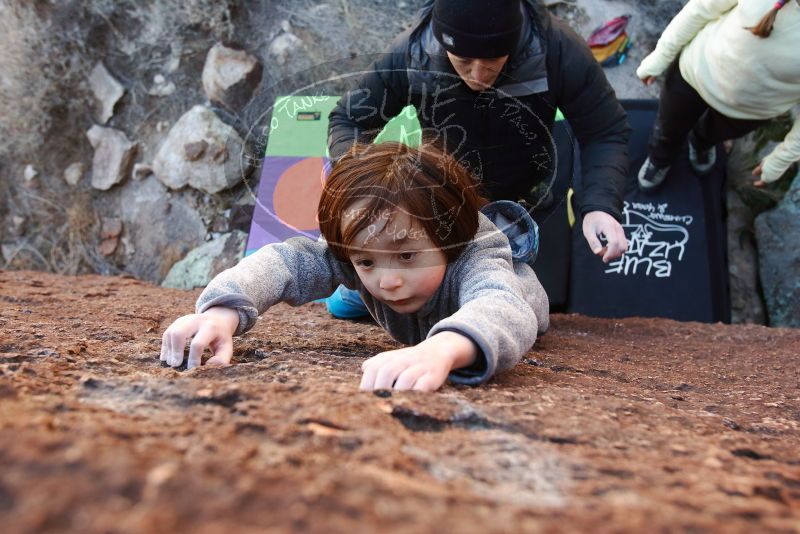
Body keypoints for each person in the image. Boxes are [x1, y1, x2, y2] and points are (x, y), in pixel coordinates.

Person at [159, 141, 549, 392]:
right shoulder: (366, 251)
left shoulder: (476, 256)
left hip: (508, 297)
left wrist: (443, 348)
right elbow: (287, 261)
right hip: (390, 301)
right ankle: (353, 290)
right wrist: (223, 310)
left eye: (407, 255)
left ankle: (356, 292)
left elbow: (500, 304)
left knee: (358, 294)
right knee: (343, 301)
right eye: (365, 260)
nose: (389, 281)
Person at [324, 0, 631, 318]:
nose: (478, 75)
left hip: (514, 214)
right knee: (345, 305)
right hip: (438, 208)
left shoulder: (556, 48)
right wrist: (361, 192)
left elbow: (604, 130)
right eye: (464, 61)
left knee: (505, 307)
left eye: (493, 61)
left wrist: (599, 206)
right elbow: (349, 118)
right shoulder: (412, 52)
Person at [636, 0, 800, 192]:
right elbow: (701, 8)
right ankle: (660, 159)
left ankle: (700, 144)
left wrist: (781, 159)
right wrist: (661, 55)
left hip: (748, 112)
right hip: (693, 74)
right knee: (668, 130)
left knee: (710, 135)